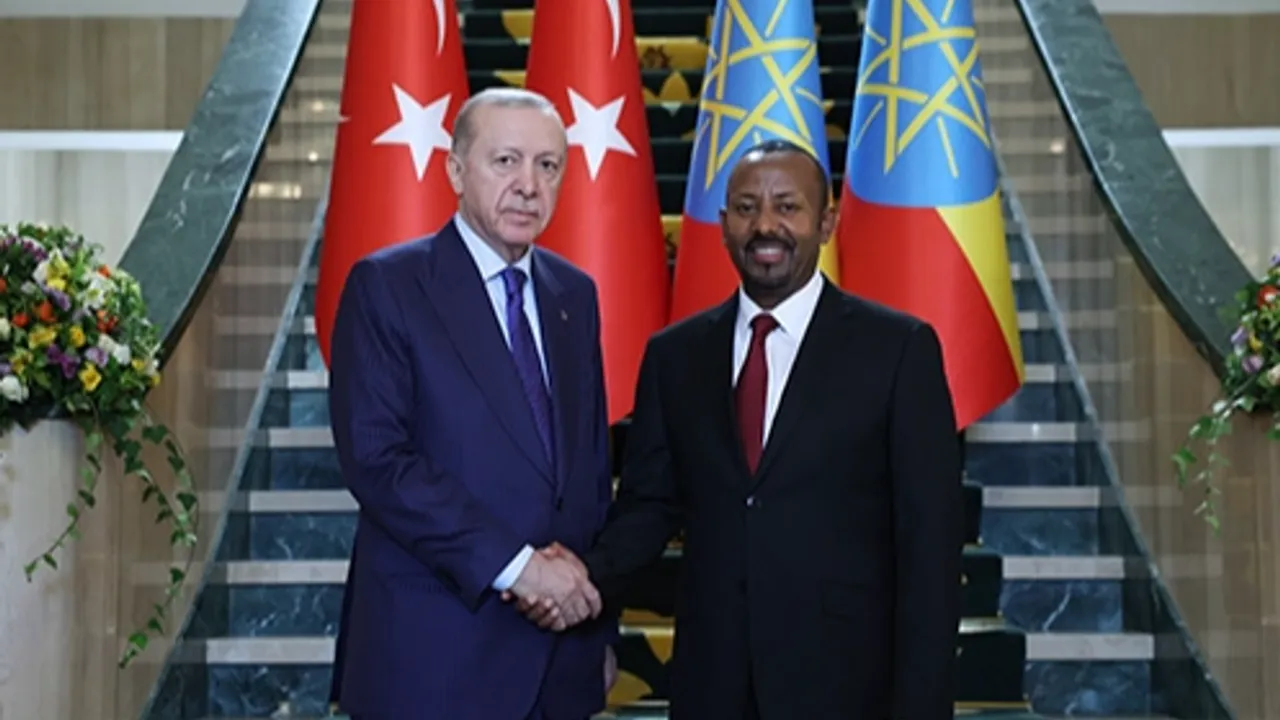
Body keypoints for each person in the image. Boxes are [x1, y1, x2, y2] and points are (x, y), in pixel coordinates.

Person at [517, 139, 965, 719]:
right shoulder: (675, 356)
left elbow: (930, 548)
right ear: (724, 225)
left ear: (826, 223)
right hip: (713, 684)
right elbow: (649, 508)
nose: (765, 226)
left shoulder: (898, 350)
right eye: (747, 208)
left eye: (787, 206)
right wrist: (585, 580)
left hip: (848, 687)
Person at [326, 87, 618, 720]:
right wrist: (519, 568)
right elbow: (378, 461)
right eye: (505, 160)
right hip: (436, 659)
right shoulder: (388, 285)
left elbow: (590, 473)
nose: (528, 185)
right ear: (456, 171)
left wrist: (596, 625)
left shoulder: (575, 295)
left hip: (560, 662)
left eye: (547, 165)